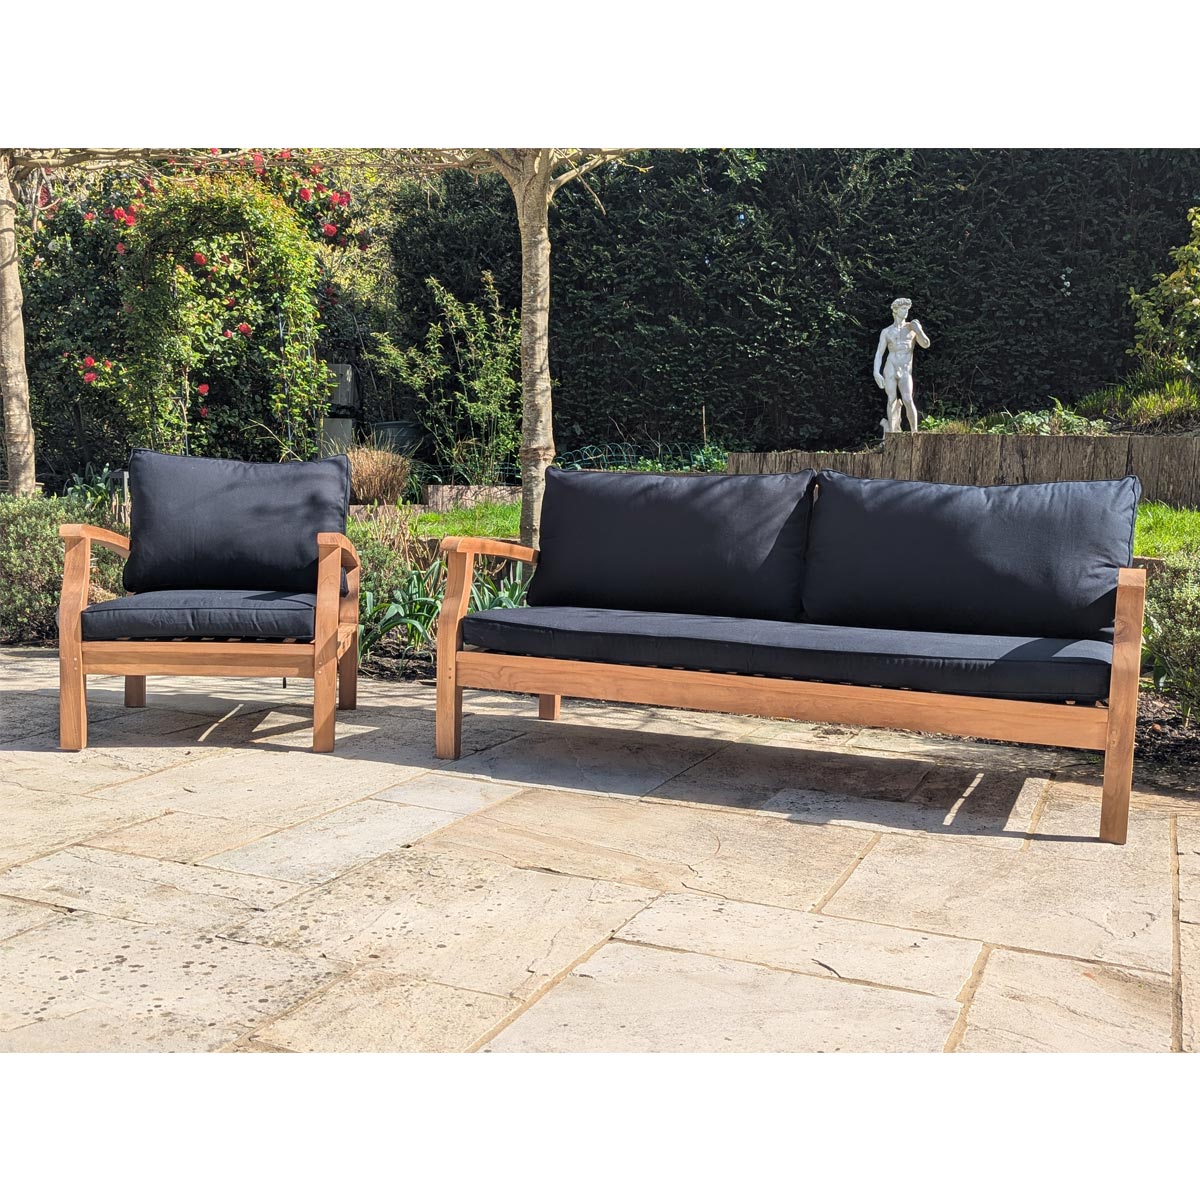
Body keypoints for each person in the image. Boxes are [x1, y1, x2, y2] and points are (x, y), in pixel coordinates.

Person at [873, 297, 930, 433]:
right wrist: (876, 372)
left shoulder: (912, 328)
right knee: (891, 399)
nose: (906, 312)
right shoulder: (886, 332)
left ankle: (914, 432)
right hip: (890, 367)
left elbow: (926, 344)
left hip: (905, 369)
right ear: (896, 310)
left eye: (907, 309)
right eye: (903, 309)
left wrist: (919, 330)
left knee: (907, 399)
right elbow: (879, 353)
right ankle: (892, 432)